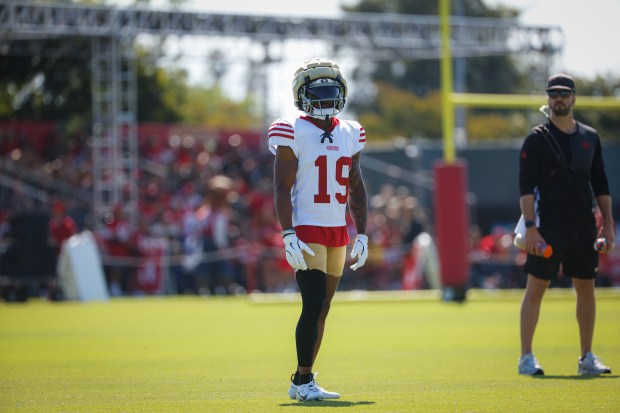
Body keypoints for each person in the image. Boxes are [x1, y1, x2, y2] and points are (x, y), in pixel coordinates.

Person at [268, 58, 369, 401]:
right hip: (307, 227)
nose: (327, 97)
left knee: (324, 307)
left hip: (337, 230)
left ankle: (305, 379)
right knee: (312, 304)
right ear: (302, 95)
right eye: (319, 91)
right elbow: (282, 188)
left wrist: (363, 232)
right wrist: (288, 232)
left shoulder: (351, 131)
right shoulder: (291, 129)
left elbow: (356, 187)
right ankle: (301, 380)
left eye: (332, 91)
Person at [517, 73, 615, 376]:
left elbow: (600, 184)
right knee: (536, 289)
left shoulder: (590, 137)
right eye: (554, 93)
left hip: (583, 225)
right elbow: (525, 187)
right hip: (548, 226)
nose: (559, 99)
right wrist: (531, 227)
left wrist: (608, 226)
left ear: (573, 98)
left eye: (564, 93)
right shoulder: (536, 138)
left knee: (586, 287)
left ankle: (587, 357)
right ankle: (526, 357)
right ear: (548, 98)